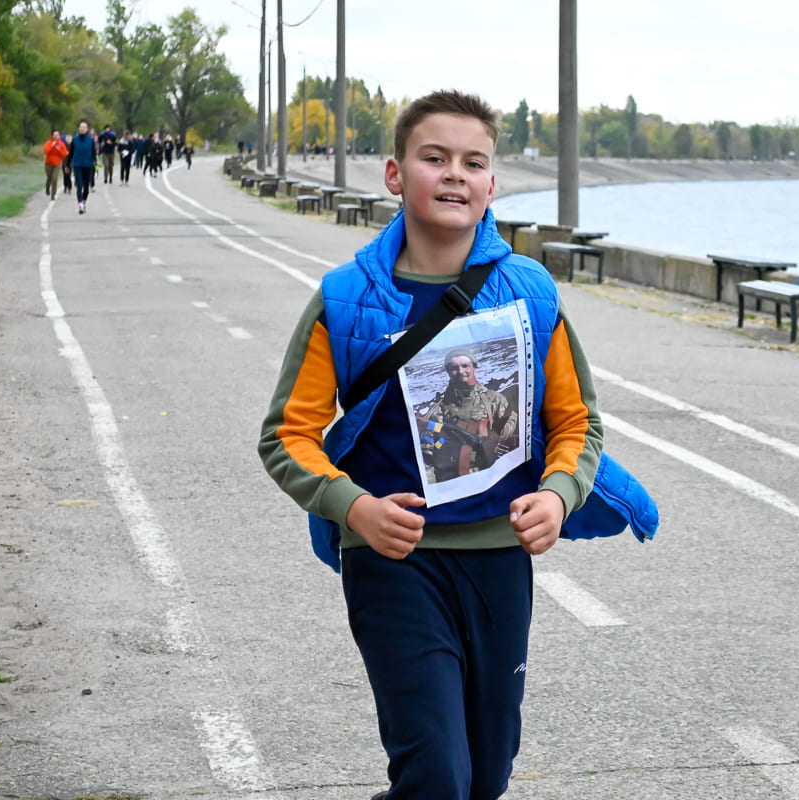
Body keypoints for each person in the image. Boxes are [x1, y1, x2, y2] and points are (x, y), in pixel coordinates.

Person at [258, 90, 656, 800]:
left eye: (473, 162)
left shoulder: (529, 290)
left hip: (498, 560)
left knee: (485, 776)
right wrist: (355, 509)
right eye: (434, 157)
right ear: (394, 174)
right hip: (391, 562)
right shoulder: (345, 298)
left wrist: (559, 497)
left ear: (491, 185)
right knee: (437, 774)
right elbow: (287, 435)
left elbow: (576, 422)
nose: (454, 174)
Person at [419, 347, 518, 483]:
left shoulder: (495, 401)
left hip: (490, 477)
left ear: (474, 368)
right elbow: (428, 455)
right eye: (454, 368)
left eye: (465, 366)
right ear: (448, 372)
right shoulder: (439, 410)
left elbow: (506, 436)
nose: (460, 372)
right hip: (452, 481)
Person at [67, 121, 95, 214]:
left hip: (88, 165)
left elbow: (93, 152)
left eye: (84, 127)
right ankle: (80, 205)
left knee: (86, 187)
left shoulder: (90, 140)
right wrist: (67, 165)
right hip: (77, 165)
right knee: (79, 185)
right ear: (79, 128)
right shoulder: (75, 140)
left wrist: (95, 161)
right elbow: (71, 153)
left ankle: (84, 201)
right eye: (81, 127)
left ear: (87, 129)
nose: (82, 129)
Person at [43, 129, 68, 201]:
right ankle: (47, 188)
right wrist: (52, 145)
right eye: (54, 135)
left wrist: (59, 149)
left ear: (59, 136)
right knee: (49, 178)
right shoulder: (48, 143)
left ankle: (53, 194)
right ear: (52, 136)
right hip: (48, 163)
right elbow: (46, 151)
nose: (56, 136)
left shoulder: (61, 144)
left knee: (54, 179)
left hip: (57, 164)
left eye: (57, 135)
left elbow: (64, 154)